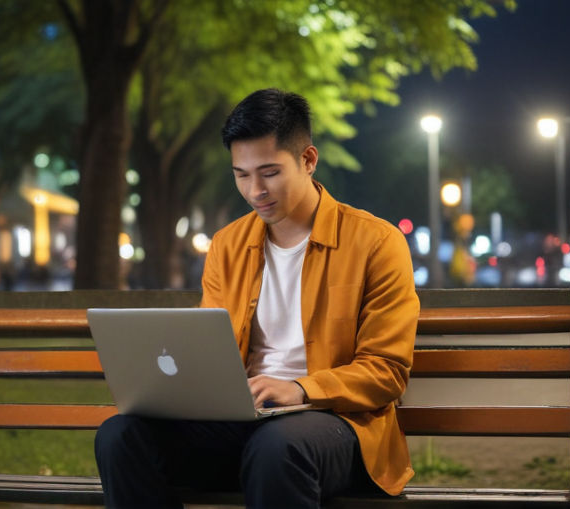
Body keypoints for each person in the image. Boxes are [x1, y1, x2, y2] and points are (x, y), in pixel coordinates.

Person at [95, 89, 420, 508]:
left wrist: (300, 389)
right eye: (241, 174)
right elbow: (208, 351)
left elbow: (387, 371)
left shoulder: (376, 242)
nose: (254, 191)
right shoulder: (227, 246)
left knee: (278, 446)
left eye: (269, 172)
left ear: (308, 160)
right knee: (121, 436)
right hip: (244, 421)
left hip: (339, 426)